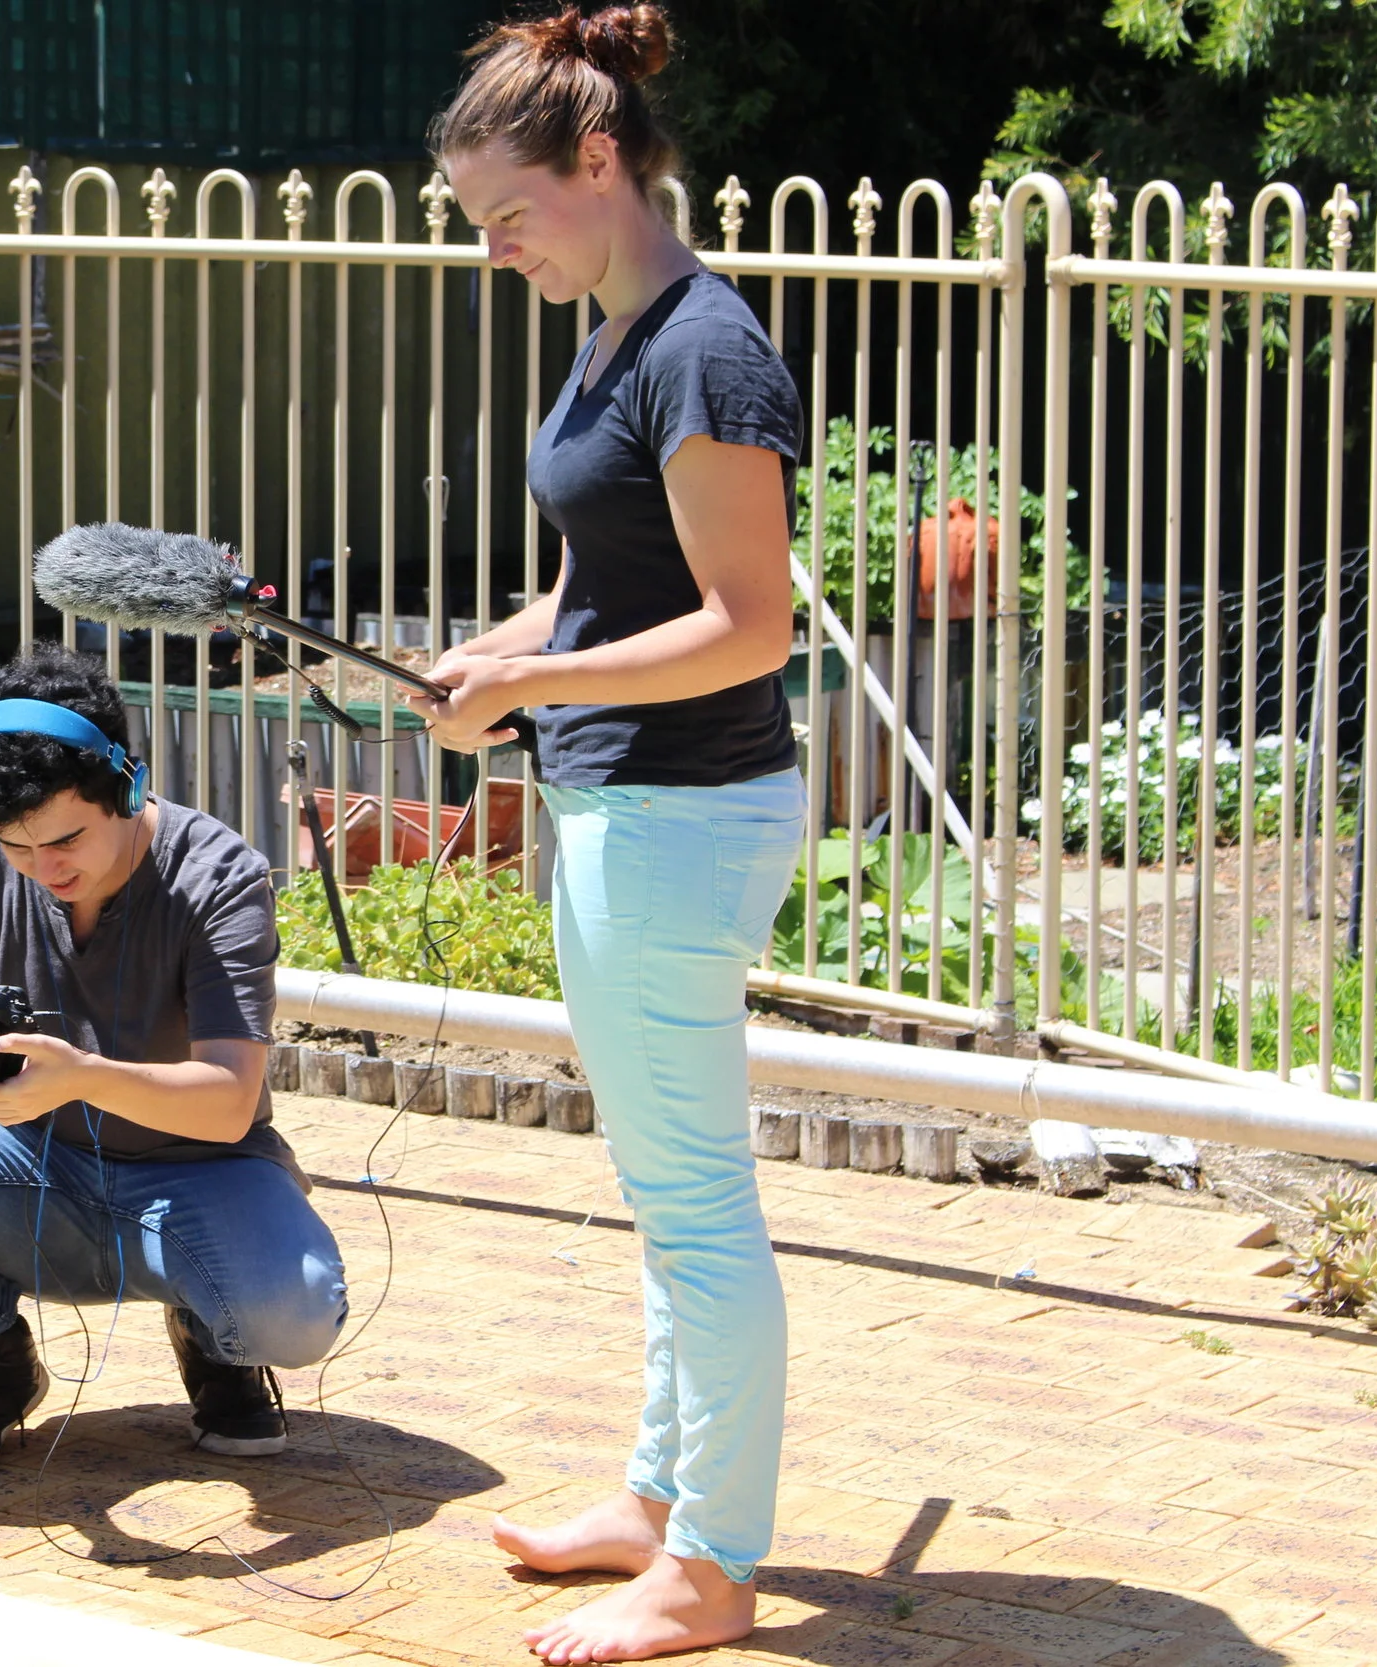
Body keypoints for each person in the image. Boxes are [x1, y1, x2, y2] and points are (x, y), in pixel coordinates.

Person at [410, 6, 807, 1661]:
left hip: (679, 816)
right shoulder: (611, 333)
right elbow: (602, 586)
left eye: (506, 216)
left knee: (698, 1203)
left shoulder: (704, 346)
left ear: (596, 160)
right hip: (615, 803)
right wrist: (503, 657)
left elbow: (749, 621)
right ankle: (657, 1503)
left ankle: (713, 1565)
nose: (495, 251)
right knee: (665, 1189)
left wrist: (544, 678)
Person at [0, 643, 348, 1483]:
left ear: (130, 786)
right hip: (32, 1176)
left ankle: (217, 1341)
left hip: (201, 1170)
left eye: (68, 838)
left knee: (293, 1309)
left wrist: (79, 1074)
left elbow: (228, 1101)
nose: (48, 870)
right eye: (18, 848)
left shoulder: (219, 874)